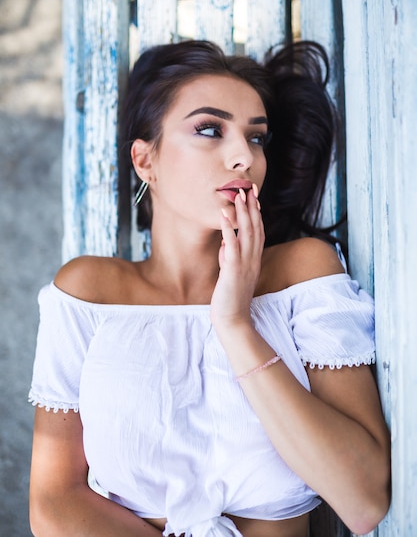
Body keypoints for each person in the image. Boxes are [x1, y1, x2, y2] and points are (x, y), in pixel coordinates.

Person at [28, 40, 390, 537]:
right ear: (144, 160)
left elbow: (363, 499)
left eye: (257, 138)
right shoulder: (87, 292)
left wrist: (236, 326)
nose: (244, 157)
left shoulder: (303, 274)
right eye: (209, 130)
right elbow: (53, 502)